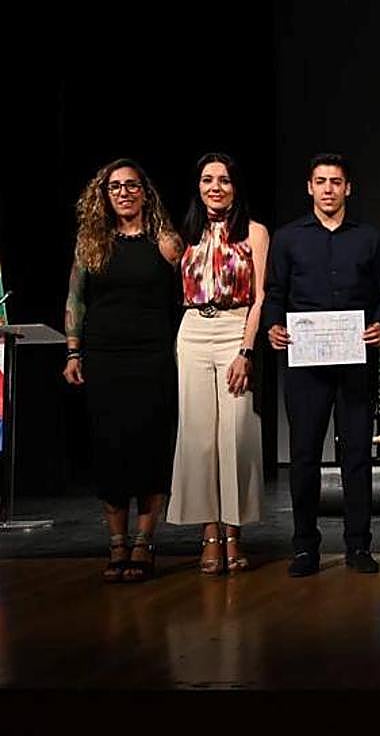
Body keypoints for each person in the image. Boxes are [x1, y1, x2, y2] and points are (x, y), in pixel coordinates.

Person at [264, 153, 380, 577]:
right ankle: (305, 548)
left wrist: (379, 323)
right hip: (305, 364)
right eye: (321, 181)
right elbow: (275, 292)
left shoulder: (369, 238)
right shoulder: (288, 238)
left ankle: (358, 546)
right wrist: (273, 327)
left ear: (348, 188)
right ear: (310, 187)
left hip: (356, 361)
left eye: (336, 182)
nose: (328, 189)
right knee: (304, 456)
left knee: (357, 454)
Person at [63, 159, 182, 582]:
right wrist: (74, 352)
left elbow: (183, 303)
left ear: (145, 192)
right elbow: (76, 299)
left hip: (152, 357)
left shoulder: (166, 242)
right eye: (115, 187)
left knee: (150, 447)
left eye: (132, 185)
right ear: (104, 195)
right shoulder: (91, 242)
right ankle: (117, 543)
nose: (124, 193)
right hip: (104, 357)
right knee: (110, 449)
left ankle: (144, 543)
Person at [167, 153, 269, 574]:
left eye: (224, 180)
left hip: (234, 327)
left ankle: (234, 533)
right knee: (199, 437)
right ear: (198, 186)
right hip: (192, 329)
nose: (215, 187)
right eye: (208, 179)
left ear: (235, 186)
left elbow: (261, 296)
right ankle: (209, 533)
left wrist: (246, 350)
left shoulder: (255, 232)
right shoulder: (181, 235)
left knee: (236, 432)